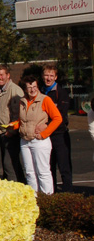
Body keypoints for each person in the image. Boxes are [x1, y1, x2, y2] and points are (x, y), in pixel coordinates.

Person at [14, 75, 62, 195]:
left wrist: (44, 133)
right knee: (29, 172)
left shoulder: (45, 100)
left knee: (43, 171)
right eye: (29, 87)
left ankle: (47, 199)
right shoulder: (22, 101)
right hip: (25, 141)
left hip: (39, 140)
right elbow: (22, 120)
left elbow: (57, 118)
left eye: (34, 87)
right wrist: (14, 126)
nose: (32, 90)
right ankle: (34, 199)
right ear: (25, 89)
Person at [41, 63, 73, 192]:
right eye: (46, 75)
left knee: (64, 165)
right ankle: (51, 193)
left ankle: (68, 194)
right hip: (45, 136)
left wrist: (46, 125)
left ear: (56, 77)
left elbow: (61, 116)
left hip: (59, 135)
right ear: (42, 76)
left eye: (51, 76)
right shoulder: (40, 92)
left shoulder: (62, 93)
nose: (48, 78)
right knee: (49, 166)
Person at [0, 64, 26, 183]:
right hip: (2, 133)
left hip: (10, 134)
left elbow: (17, 114)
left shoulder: (14, 90)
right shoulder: (0, 90)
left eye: (1, 75)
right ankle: (20, 186)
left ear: (8, 75)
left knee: (9, 165)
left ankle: (16, 188)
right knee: (11, 163)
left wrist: (11, 131)